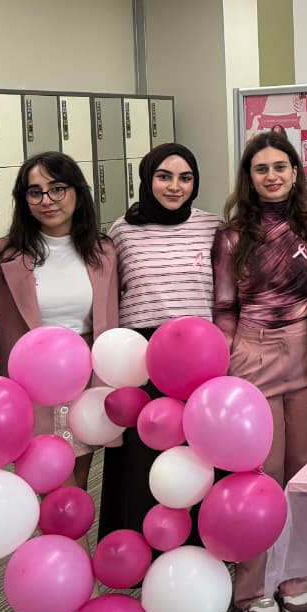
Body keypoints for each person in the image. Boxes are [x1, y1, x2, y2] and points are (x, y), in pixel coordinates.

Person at [214, 132, 307, 612]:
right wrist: (225, 369)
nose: (272, 175)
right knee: (260, 477)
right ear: (250, 177)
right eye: (261, 168)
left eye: (280, 166)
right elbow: (224, 308)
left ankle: (295, 577)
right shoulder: (232, 236)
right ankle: (254, 586)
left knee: (303, 474)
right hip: (252, 353)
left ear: (295, 172)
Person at [98, 143, 221, 539]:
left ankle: (197, 541)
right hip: (143, 355)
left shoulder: (212, 226)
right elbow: (110, 293)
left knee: (197, 450)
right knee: (144, 450)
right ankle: (141, 540)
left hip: (200, 355)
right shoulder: (122, 231)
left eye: (185, 178)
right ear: (147, 179)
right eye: (164, 176)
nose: (174, 186)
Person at [0, 152, 120, 496]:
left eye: (57, 189)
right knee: (49, 487)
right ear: (24, 200)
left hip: (83, 381)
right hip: (32, 386)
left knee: (78, 489)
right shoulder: (0, 257)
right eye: (35, 192)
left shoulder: (104, 252)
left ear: (77, 192)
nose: (47, 200)